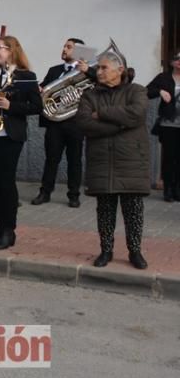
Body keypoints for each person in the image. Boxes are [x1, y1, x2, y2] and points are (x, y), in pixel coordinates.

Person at [76, 48, 150, 269]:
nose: (99, 71)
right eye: (98, 67)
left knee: (133, 210)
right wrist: (121, 123)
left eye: (104, 67)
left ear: (120, 70)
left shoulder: (136, 91)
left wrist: (103, 115)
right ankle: (106, 250)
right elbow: (84, 123)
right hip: (102, 161)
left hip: (131, 161)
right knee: (105, 210)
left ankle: (135, 251)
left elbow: (137, 115)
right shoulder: (90, 95)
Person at [0, 36, 42, 250]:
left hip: (11, 136)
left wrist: (10, 105)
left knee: (6, 182)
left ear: (12, 50)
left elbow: (36, 107)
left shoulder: (26, 76)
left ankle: (9, 230)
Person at [33, 38, 87, 207]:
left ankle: (74, 195)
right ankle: (45, 192)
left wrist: (88, 71)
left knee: (75, 160)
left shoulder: (86, 72)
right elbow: (44, 88)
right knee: (51, 159)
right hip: (55, 123)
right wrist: (39, 89)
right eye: (64, 46)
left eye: (69, 47)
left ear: (78, 52)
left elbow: (99, 85)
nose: (64, 49)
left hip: (75, 123)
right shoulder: (54, 70)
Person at [147, 50, 180, 202]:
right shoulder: (164, 77)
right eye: (177, 58)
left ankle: (177, 190)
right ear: (172, 62)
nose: (179, 61)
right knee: (169, 158)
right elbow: (147, 91)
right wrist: (160, 91)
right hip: (169, 124)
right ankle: (168, 189)